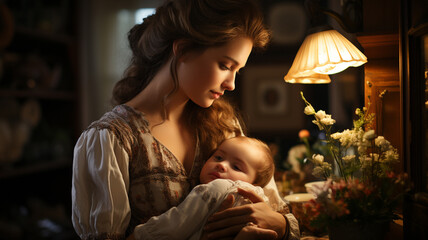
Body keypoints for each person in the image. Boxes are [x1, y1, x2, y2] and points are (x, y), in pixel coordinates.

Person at [71, 0, 299, 239]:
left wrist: (280, 225)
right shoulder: (111, 138)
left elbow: (279, 211)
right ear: (182, 50)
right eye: (225, 65)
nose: (231, 84)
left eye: (237, 70)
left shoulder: (225, 125)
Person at [132, 136, 277, 240]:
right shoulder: (262, 202)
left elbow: (177, 224)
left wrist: (140, 234)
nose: (222, 165)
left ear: (254, 183)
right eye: (219, 157)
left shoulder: (216, 188)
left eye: (236, 167)